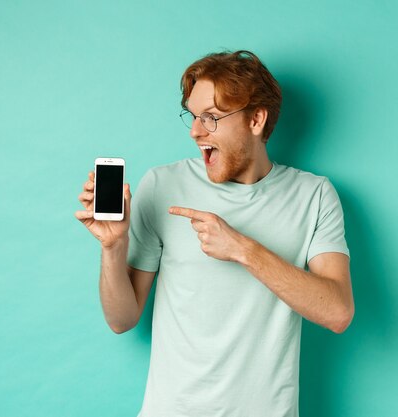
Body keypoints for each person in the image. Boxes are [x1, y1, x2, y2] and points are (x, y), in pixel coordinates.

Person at [75, 50, 354, 417]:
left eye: (211, 117)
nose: (195, 131)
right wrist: (113, 247)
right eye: (192, 116)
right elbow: (121, 320)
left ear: (256, 119)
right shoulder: (163, 184)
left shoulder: (314, 195)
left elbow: (337, 312)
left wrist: (243, 250)